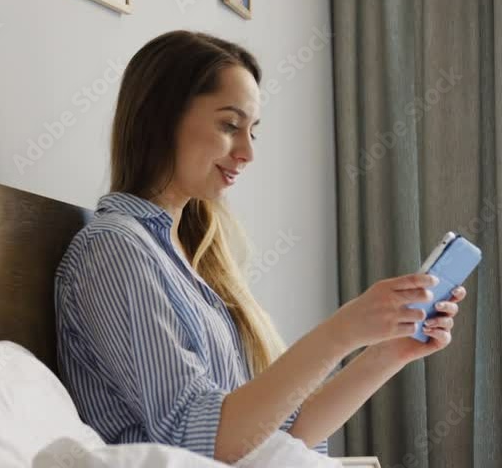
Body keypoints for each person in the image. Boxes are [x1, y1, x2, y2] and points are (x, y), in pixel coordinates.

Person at [53, 30, 465, 464]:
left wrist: (388, 351)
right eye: (230, 125)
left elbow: (286, 434)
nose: (248, 151)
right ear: (161, 118)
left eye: (253, 131)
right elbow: (204, 443)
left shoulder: (188, 263)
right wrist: (341, 329)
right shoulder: (115, 250)